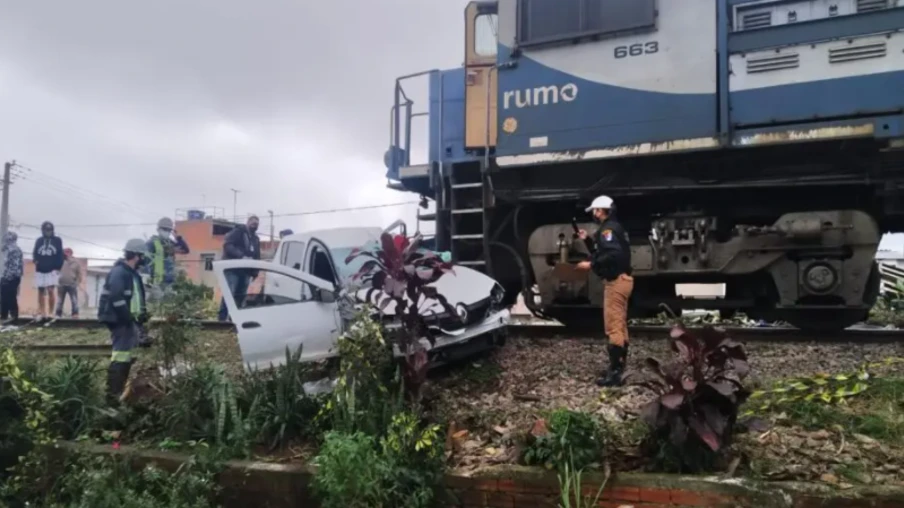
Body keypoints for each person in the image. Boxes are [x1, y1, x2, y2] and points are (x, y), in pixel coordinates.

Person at [576, 195, 633, 387]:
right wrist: (588, 241)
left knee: (613, 325)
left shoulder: (608, 229)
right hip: (623, 280)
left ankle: (615, 373)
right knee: (620, 323)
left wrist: (591, 264)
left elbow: (614, 254)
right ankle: (619, 366)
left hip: (616, 282)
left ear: (601, 210)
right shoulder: (614, 227)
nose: (594, 213)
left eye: (595, 210)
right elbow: (607, 250)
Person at [97, 238, 149, 404]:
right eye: (142, 256)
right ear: (136, 255)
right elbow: (116, 298)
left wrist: (140, 317)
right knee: (121, 355)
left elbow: (135, 298)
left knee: (124, 354)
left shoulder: (131, 273)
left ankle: (116, 393)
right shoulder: (120, 272)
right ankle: (112, 395)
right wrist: (127, 318)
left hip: (126, 319)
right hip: (119, 319)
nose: (144, 259)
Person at [218, 215, 261, 322]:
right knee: (230, 294)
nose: (254, 226)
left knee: (240, 296)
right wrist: (241, 256)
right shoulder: (238, 232)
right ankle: (222, 320)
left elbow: (257, 256)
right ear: (248, 222)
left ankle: (233, 320)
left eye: (256, 224)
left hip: (245, 271)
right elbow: (228, 246)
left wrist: (255, 272)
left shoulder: (255, 239)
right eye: (253, 223)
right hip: (233, 269)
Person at [145, 217, 190, 298]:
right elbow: (144, 260)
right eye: (165, 229)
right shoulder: (151, 243)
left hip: (169, 280)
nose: (167, 232)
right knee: (158, 303)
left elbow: (185, 250)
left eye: (169, 230)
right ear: (158, 229)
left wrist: (179, 239)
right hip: (156, 281)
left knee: (170, 304)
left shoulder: (170, 243)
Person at [32, 221, 64, 322]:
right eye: (46, 229)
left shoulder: (57, 240)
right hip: (40, 269)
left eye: (50, 229)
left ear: (52, 230)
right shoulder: (39, 240)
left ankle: (51, 312)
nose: (48, 231)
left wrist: (58, 267)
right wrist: (35, 260)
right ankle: (42, 312)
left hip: (52, 269)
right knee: (41, 291)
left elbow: (60, 254)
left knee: (51, 290)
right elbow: (35, 252)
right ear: (42, 230)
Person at [1, 232, 23, 323]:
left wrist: (7, 277)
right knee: (3, 296)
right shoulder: (5, 249)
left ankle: (13, 316)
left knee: (10, 296)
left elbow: (14, 266)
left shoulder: (14, 250)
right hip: (5, 276)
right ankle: (4, 315)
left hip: (12, 277)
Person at [55, 248, 82, 319]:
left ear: (71, 253)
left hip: (72, 284)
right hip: (61, 284)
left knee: (74, 300)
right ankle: (58, 314)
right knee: (59, 301)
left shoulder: (76, 262)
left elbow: (79, 274)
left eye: (68, 252)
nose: (66, 253)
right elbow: (55, 271)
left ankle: (75, 314)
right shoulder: (60, 261)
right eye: (65, 252)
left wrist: (77, 283)